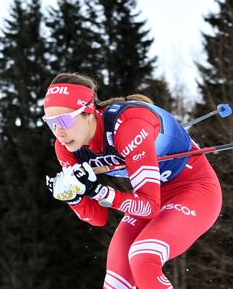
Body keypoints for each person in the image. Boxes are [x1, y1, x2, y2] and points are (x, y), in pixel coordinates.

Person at [44, 72, 222, 289]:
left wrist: (100, 192)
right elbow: (98, 218)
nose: (59, 132)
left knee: (143, 255)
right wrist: (74, 198)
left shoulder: (129, 126)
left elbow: (150, 207)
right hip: (154, 196)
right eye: (51, 123)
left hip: (193, 190)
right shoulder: (66, 148)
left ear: (88, 112)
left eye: (64, 120)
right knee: (115, 283)